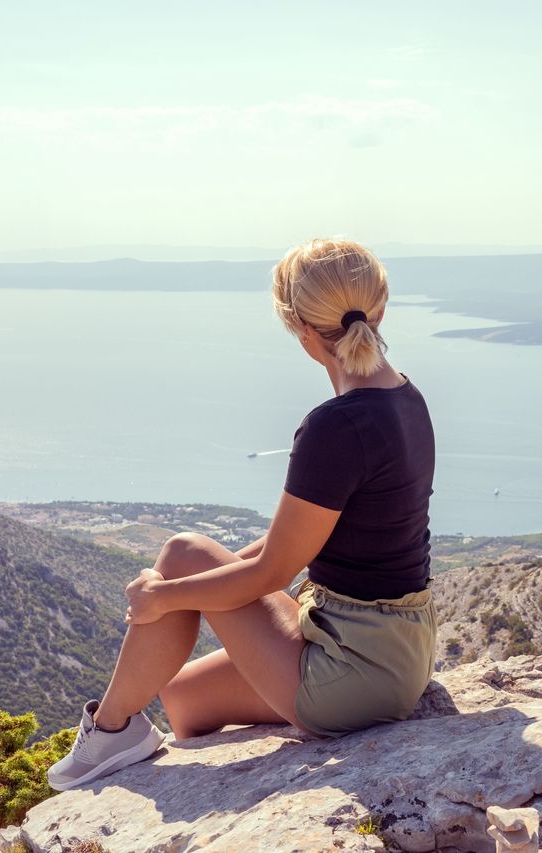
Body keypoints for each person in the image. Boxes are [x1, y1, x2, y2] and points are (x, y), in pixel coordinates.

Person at [47, 237, 437, 791]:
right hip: (400, 653)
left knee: (183, 553)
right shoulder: (405, 397)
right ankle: (141, 741)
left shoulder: (336, 426)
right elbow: (293, 544)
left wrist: (163, 597)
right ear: (381, 309)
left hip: (354, 671)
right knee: (181, 696)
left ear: (299, 327)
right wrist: (196, 588)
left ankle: (108, 729)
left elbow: (272, 573)